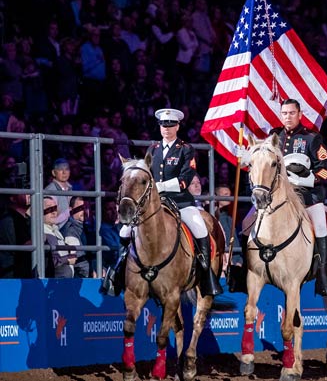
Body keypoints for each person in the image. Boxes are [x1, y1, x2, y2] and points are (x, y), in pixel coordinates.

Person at [101, 108, 222, 297]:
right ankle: (118, 272)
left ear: (178, 126)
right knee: (125, 231)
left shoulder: (185, 149)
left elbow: (185, 179)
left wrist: (160, 186)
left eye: (171, 125)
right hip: (155, 204)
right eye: (163, 125)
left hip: (181, 202)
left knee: (200, 228)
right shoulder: (153, 149)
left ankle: (206, 275)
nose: (167, 128)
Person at [268, 98, 327, 296]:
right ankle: (245, 270)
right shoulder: (274, 136)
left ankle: (322, 275)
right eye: (284, 113)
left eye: (291, 113)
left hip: (308, 196)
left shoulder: (312, 138)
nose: (288, 117)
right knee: (247, 221)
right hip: (277, 197)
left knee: (321, 226)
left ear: (299, 114)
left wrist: (304, 180)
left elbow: (326, 171)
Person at [0, 193, 33, 278]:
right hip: (11, 277)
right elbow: (20, 247)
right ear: (13, 198)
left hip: (24, 275)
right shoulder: (8, 220)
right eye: (24, 191)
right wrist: (41, 239)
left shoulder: (27, 219)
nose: (29, 194)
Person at [43, 196, 76, 278]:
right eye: (49, 209)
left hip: (63, 283)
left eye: (55, 208)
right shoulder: (44, 233)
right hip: (54, 284)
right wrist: (67, 259)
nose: (54, 212)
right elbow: (50, 262)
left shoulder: (56, 230)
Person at [64, 196, 91, 278]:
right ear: (71, 209)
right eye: (81, 208)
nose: (85, 211)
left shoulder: (87, 228)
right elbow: (79, 262)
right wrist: (93, 271)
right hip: (80, 277)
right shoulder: (70, 230)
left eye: (87, 208)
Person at [45, 158, 74, 231]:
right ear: (54, 173)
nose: (64, 172)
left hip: (71, 227)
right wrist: (68, 212)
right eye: (60, 169)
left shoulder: (70, 188)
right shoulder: (50, 190)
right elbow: (48, 220)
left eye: (67, 169)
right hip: (58, 230)